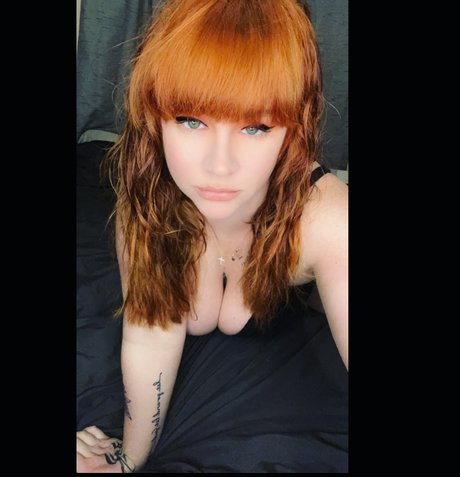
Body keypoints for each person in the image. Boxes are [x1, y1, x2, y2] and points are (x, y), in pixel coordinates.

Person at [76, 0, 348, 472]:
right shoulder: (148, 202)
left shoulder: (326, 217)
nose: (220, 165)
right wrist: (127, 460)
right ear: (155, 117)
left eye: (256, 126)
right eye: (191, 120)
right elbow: (149, 341)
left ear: (292, 130)